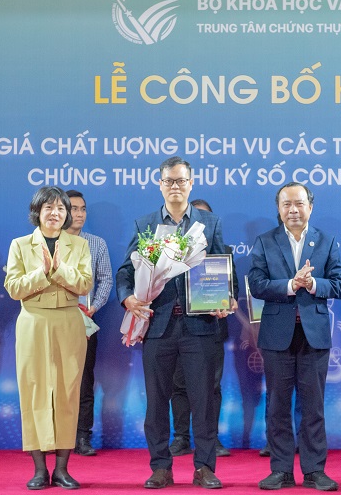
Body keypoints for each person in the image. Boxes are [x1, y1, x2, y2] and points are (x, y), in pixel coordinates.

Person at [116, 157, 229, 489]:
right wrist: (127, 298)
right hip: (158, 325)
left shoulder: (209, 223)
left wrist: (225, 298)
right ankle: (161, 467)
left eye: (181, 181)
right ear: (160, 184)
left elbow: (222, 266)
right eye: (169, 181)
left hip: (201, 326)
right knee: (156, 402)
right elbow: (126, 271)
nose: (175, 186)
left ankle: (204, 467)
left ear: (191, 184)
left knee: (204, 401)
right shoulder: (146, 225)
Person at [248, 182, 341, 491]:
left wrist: (313, 283)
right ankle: (281, 470)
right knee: (277, 406)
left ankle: (315, 470)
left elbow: (340, 285)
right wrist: (291, 284)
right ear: (278, 209)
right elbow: (256, 284)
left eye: (299, 203)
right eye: (287, 204)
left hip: (314, 336)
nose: (293, 209)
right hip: (277, 336)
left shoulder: (327, 241)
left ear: (310, 207)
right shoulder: (265, 242)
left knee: (313, 407)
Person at [4, 186, 92, 490]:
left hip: (68, 321)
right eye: (49, 208)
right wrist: (41, 272)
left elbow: (84, 284)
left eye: (61, 209)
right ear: (37, 212)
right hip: (33, 321)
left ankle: (62, 469)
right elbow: (13, 288)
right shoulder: (20, 245)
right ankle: (39, 470)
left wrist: (59, 268)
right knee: (34, 391)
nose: (55, 213)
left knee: (68, 391)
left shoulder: (79, 245)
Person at [169, 198, 237, 459]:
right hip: (177, 329)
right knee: (179, 385)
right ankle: (181, 437)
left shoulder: (222, 253)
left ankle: (211, 438)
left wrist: (226, 301)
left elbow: (232, 291)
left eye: (204, 220)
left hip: (211, 327)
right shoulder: (171, 253)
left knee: (212, 386)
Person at [65, 190, 113, 457]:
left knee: (84, 381)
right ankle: (53, 437)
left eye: (83, 209)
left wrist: (93, 307)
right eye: (74, 208)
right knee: (53, 382)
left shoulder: (96, 243)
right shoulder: (49, 243)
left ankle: (83, 436)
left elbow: (105, 279)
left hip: (85, 322)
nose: (79, 214)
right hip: (54, 322)